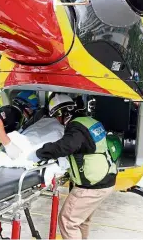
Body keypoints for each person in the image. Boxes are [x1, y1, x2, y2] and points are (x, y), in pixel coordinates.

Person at [35, 94, 118, 239]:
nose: (57, 120)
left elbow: (65, 147)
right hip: (105, 178)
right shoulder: (90, 121)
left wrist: (41, 152)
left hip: (92, 185)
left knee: (67, 222)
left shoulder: (76, 127)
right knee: (81, 221)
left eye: (56, 116)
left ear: (62, 113)